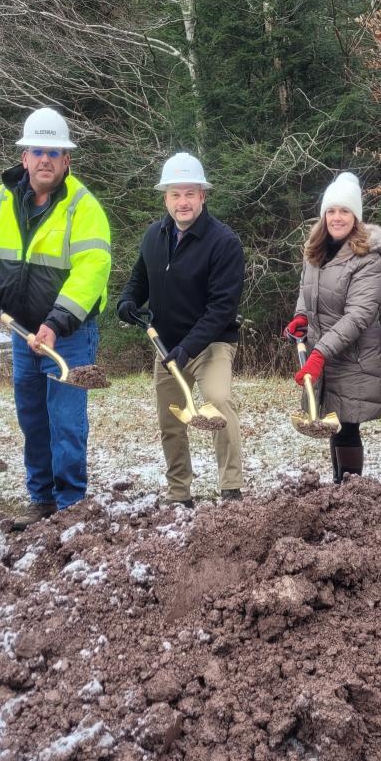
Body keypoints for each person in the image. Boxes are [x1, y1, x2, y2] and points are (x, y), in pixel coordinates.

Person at [0, 108, 112, 530]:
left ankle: (70, 505)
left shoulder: (83, 207)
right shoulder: (0, 199)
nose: (45, 159)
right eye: (37, 151)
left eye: (54, 151)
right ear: (24, 156)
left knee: (65, 420)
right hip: (20, 329)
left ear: (67, 160)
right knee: (32, 418)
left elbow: (93, 270)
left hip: (67, 335)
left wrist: (58, 321)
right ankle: (42, 498)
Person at [117, 153, 245, 507]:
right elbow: (138, 280)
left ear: (203, 196)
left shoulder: (224, 243)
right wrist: (127, 302)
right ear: (166, 198)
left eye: (190, 193)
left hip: (211, 345)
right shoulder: (153, 236)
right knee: (171, 419)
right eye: (175, 194)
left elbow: (222, 309)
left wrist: (188, 349)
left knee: (218, 402)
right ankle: (179, 493)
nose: (182, 202)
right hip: (166, 345)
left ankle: (231, 487)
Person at [284, 172, 381, 482]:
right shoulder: (315, 251)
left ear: (355, 216)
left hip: (354, 356)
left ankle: (351, 495)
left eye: (344, 211)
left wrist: (318, 354)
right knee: (334, 422)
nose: (336, 217)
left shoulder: (368, 259)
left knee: (347, 425)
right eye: (331, 210)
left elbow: (358, 316)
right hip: (325, 354)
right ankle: (338, 487)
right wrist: (301, 317)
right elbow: (307, 292)